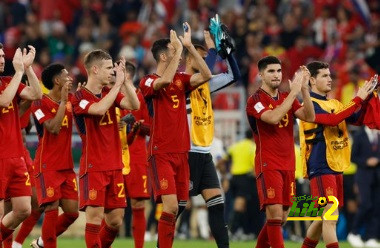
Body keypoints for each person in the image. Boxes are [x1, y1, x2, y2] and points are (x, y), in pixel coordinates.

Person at [139, 23, 212, 248]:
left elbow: (206, 75)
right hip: (161, 152)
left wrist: (188, 45)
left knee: (179, 206)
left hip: (182, 152)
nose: (179, 57)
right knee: (170, 206)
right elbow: (163, 82)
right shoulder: (148, 81)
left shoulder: (181, 80)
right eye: (174, 51)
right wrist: (180, 51)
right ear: (163, 55)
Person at [299, 61, 376, 248]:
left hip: (336, 164)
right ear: (311, 80)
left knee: (324, 217)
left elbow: (356, 119)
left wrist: (365, 100)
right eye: (324, 75)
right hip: (320, 164)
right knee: (330, 217)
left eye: (330, 75)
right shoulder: (310, 104)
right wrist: (357, 99)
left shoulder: (334, 103)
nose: (329, 79)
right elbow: (333, 120)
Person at [71, 50, 139, 248]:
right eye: (109, 68)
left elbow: (134, 105)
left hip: (115, 165)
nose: (112, 72)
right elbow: (99, 109)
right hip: (94, 166)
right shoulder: (79, 97)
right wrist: (118, 85)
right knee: (95, 217)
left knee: (116, 219)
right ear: (95, 69)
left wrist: (125, 81)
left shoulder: (111, 93)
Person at [246, 55, 315, 248]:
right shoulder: (255, 100)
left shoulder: (286, 97)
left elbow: (309, 116)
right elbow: (273, 118)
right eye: (271, 71)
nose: (276, 75)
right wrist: (294, 93)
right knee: (274, 215)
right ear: (261, 75)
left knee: (282, 217)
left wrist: (304, 90)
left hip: (288, 164)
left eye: (278, 71)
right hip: (268, 163)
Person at [185, 28, 240, 247]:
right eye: (199, 54)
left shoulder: (206, 83)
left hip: (204, 153)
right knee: (177, 208)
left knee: (217, 205)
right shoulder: (181, 81)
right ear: (190, 58)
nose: (205, 59)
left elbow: (233, 76)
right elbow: (207, 70)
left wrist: (228, 55)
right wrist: (211, 47)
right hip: (185, 153)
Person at [29, 64, 80, 248]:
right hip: (47, 165)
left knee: (72, 213)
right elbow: (53, 128)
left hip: (66, 166)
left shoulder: (71, 99)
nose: (71, 79)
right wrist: (63, 102)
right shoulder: (39, 103)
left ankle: (42, 242)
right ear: (57, 81)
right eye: (67, 76)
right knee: (51, 208)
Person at [0, 44, 42, 246]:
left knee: (24, 209)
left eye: (2, 56)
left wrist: (27, 69)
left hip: (16, 156)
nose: (1, 60)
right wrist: (18, 72)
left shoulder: (9, 81)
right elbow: (4, 100)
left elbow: (36, 94)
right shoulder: (10, 83)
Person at [120, 61, 151, 248]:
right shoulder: (109, 97)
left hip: (137, 157)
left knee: (138, 205)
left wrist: (137, 126)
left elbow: (151, 128)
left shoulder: (142, 99)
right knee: (110, 210)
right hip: (113, 156)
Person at [348, 126, 380, 248]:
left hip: (377, 175)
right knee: (365, 204)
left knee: (377, 206)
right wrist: (366, 161)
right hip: (363, 176)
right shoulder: (359, 135)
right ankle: (354, 232)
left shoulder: (378, 134)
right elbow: (353, 157)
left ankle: (370, 237)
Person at [223, 130, 257, 240]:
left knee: (241, 206)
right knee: (240, 205)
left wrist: (225, 175)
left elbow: (222, 160)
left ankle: (241, 231)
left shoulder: (236, 145)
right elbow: (255, 167)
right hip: (245, 178)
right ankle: (231, 231)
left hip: (233, 178)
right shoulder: (253, 147)